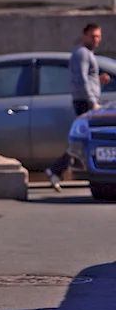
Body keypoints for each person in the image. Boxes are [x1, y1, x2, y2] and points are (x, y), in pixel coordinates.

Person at [45, 23, 110, 191]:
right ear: (84, 36)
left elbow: (88, 79)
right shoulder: (82, 53)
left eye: (98, 36)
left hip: (87, 99)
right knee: (82, 140)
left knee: (80, 141)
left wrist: (99, 83)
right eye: (93, 36)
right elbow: (81, 79)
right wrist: (92, 102)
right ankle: (55, 169)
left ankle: (56, 171)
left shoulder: (87, 54)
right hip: (85, 102)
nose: (96, 40)